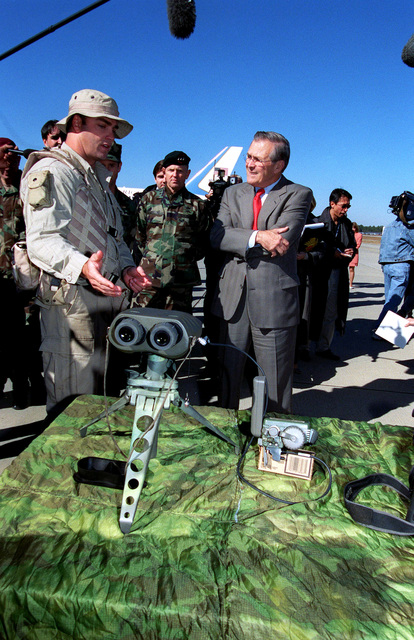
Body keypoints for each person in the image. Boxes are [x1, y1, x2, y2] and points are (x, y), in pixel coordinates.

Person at [20, 89, 150, 414]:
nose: (110, 137)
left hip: (102, 303)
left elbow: (113, 238)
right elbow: (42, 240)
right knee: (72, 409)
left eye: (114, 131)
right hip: (71, 305)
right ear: (76, 123)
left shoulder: (95, 178)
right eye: (103, 127)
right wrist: (83, 267)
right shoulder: (53, 171)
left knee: (100, 402)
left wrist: (126, 269)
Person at [210, 130, 314, 413]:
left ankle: (271, 443)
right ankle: (226, 434)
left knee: (275, 381)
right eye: (248, 156)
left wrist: (241, 237)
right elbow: (217, 236)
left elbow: (281, 242)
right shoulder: (233, 193)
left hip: (273, 300)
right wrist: (257, 236)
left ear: (278, 165)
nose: (249, 164)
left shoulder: (298, 194)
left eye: (258, 159)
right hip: (233, 298)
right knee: (227, 376)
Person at [133, 150, 210, 313]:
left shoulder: (197, 205)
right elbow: (139, 236)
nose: (175, 175)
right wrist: (153, 258)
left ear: (187, 173)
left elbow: (203, 241)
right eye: (171, 170)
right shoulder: (148, 200)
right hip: (149, 279)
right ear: (164, 172)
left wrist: (182, 258)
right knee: (141, 324)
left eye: (180, 171)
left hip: (181, 283)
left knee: (176, 329)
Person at [311, 188, 356, 361]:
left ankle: (324, 346)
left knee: (331, 310)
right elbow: (311, 245)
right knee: (311, 309)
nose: (346, 210)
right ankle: (304, 346)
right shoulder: (317, 223)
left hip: (336, 272)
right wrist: (331, 252)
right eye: (343, 206)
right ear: (332, 204)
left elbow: (351, 243)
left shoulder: (346, 224)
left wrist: (351, 250)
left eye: (348, 207)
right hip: (317, 272)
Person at [373, 216, 414, 332]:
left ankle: (384, 325)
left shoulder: (390, 226)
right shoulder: (407, 227)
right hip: (400, 266)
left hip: (387, 265)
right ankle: (382, 329)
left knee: (389, 299)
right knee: (393, 301)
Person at [100, 142, 137, 248]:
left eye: (111, 165)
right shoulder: (87, 196)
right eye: (102, 165)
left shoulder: (129, 206)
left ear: (119, 167)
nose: (107, 170)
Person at [349, 222, 362, 289]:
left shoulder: (359, 235)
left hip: (354, 253)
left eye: (354, 227)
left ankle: (350, 284)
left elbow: (358, 245)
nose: (352, 229)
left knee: (351, 268)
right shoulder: (348, 234)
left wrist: (352, 249)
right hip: (346, 252)